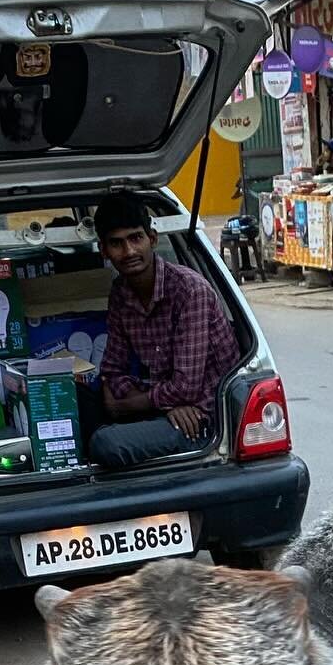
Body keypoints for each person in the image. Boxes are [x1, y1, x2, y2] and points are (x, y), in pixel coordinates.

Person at [90, 190, 239, 470]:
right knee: (79, 404)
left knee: (105, 444)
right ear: (104, 250)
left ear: (152, 239)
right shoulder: (121, 294)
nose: (129, 252)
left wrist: (127, 406)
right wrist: (163, 402)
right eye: (117, 243)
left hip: (204, 420)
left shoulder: (188, 290)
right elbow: (112, 370)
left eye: (136, 238)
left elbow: (186, 388)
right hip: (169, 411)